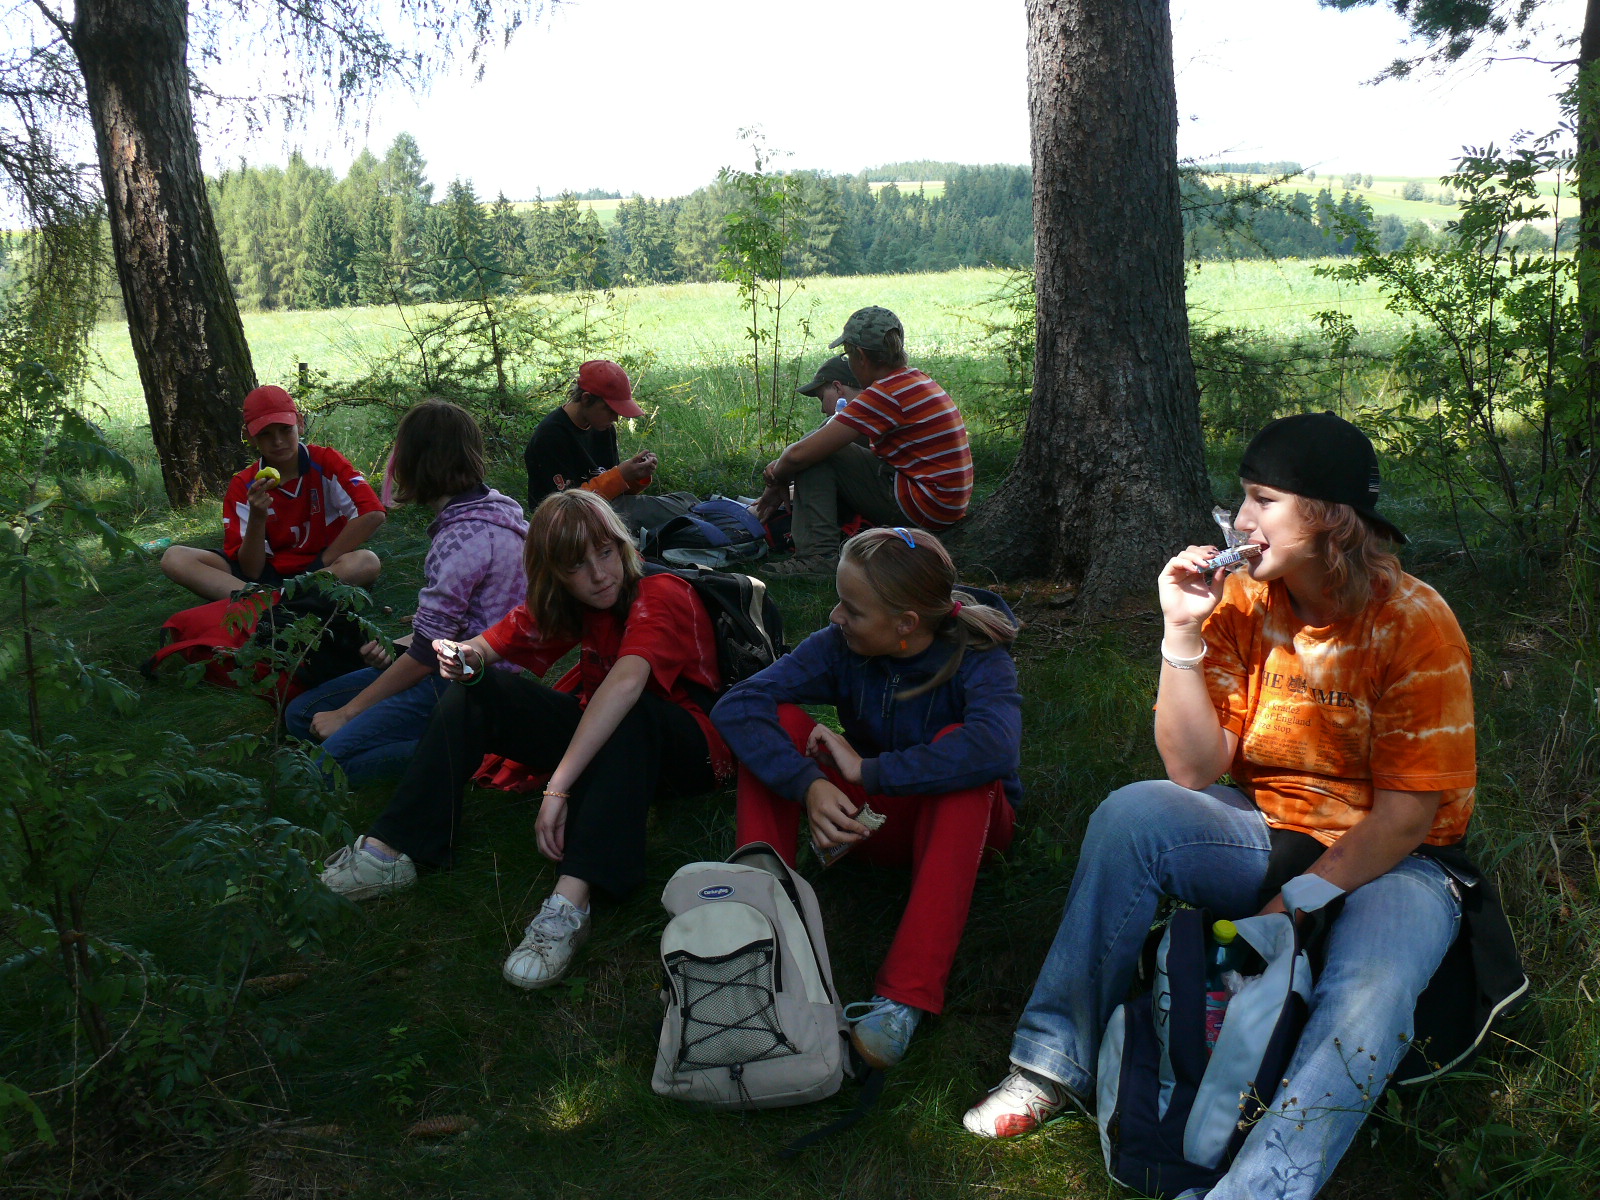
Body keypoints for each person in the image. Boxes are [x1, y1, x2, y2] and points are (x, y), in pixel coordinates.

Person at [963, 413, 1493, 1200]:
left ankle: (1262, 1187)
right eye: (1241, 497)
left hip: (1402, 861)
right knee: (1131, 816)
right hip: (1268, 825)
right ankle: (1052, 1063)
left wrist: (1298, 902)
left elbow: (1407, 818)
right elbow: (1192, 768)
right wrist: (1181, 633)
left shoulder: (1414, 622)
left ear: (1333, 518)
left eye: (1264, 500)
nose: (1240, 520)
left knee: (1372, 985)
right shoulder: (1246, 599)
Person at [318, 488, 729, 991]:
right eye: (577, 565)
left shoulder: (659, 592)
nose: (600, 574)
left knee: (632, 705)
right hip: (610, 739)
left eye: (606, 553)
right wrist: (460, 657)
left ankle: (571, 902)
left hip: (689, 753)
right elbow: (487, 645)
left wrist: (558, 787)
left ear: (622, 546)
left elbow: (625, 685)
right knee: (477, 690)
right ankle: (392, 850)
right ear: (555, 573)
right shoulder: (575, 601)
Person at [711, 526, 1021, 1070]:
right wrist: (809, 784)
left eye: (852, 610)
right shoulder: (840, 646)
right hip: (873, 820)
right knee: (775, 718)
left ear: (905, 624)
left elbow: (995, 747)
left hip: (969, 832)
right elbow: (738, 704)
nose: (835, 616)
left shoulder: (979, 656)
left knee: (963, 758)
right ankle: (755, 933)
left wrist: (868, 770)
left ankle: (905, 996)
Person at [284, 400, 527, 788]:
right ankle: (441, 735)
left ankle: (472, 748)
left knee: (321, 770)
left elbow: (428, 653)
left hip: (464, 683)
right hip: (471, 667)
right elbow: (464, 622)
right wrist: (395, 647)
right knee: (302, 714)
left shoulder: (462, 541)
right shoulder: (495, 509)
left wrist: (348, 714)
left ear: (415, 462)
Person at [753, 308, 972, 579]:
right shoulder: (913, 380)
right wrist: (785, 465)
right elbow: (828, 434)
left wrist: (777, 477)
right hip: (941, 502)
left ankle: (817, 557)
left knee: (821, 456)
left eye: (847, 355)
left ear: (861, 356)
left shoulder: (885, 394)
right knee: (827, 438)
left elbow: (800, 455)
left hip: (925, 507)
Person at [160, 385, 385, 601]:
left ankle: (269, 603)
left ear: (300, 423)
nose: (278, 441)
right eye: (265, 434)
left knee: (366, 561)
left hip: (322, 568)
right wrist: (258, 517)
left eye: (285, 429)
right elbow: (251, 570)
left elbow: (373, 513)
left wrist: (321, 564)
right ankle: (274, 601)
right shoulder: (243, 484)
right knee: (175, 557)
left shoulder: (326, 462)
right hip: (263, 577)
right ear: (250, 437)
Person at [524, 360, 657, 508]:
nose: (615, 419)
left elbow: (613, 492)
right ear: (586, 399)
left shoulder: (603, 428)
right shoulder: (550, 436)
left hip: (604, 509)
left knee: (677, 504)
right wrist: (620, 475)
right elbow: (566, 507)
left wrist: (635, 476)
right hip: (569, 518)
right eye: (610, 410)